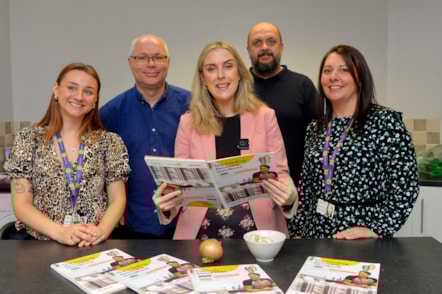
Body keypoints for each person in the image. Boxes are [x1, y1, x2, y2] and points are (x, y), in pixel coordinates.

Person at [154, 41, 298, 240]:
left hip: (259, 233)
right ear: (203, 78)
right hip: (200, 235)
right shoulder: (188, 122)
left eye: (228, 66)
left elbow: (280, 174)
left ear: (239, 73)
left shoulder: (265, 116)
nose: (220, 75)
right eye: (211, 69)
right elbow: (180, 184)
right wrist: (166, 202)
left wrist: (289, 197)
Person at [288, 45, 419, 239]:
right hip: (316, 232)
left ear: (360, 78)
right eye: (327, 70)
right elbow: (307, 187)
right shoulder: (315, 127)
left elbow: (406, 184)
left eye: (344, 70)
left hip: (361, 233)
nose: (333, 76)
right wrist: (298, 230)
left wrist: (379, 228)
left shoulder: (384, 122)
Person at [4, 62, 130, 246]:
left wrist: (101, 231)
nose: (79, 97)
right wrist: (60, 232)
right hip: (41, 246)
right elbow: (21, 206)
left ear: (95, 99)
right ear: (56, 89)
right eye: (72, 87)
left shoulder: (110, 142)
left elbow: (118, 199)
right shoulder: (29, 139)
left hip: (92, 244)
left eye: (88, 91)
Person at [99, 35, 191, 239]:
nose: (151, 64)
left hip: (184, 223)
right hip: (131, 226)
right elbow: (99, 167)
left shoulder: (193, 105)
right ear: (130, 63)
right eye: (142, 57)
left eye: (158, 57)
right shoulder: (110, 113)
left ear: (168, 61)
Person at [247, 22, 317, 184]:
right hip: (246, 185)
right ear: (248, 50)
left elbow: (318, 137)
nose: (264, 47)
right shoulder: (238, 88)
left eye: (271, 41)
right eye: (257, 43)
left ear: (281, 47)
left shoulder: (302, 85)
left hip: (295, 182)